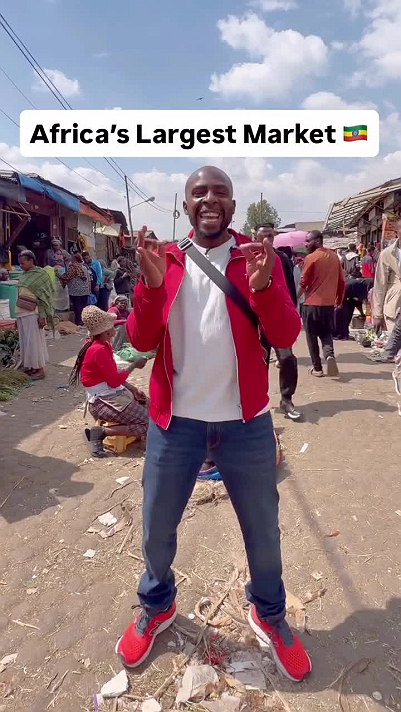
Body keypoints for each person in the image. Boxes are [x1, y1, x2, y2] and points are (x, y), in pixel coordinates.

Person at [116, 166, 311, 681]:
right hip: (174, 424)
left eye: (219, 192)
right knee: (158, 526)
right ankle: (157, 605)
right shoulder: (166, 260)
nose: (209, 199)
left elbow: (286, 334)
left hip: (246, 424)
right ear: (185, 205)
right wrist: (150, 286)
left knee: (263, 533)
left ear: (232, 205)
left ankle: (269, 614)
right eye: (199, 192)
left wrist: (264, 287)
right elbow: (140, 339)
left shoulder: (258, 257)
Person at [69, 306, 148, 457]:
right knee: (148, 423)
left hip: (109, 393)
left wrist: (132, 389)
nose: (115, 328)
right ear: (106, 332)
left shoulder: (101, 345)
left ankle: (130, 432)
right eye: (112, 326)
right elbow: (113, 381)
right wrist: (134, 365)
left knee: (149, 408)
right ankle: (101, 432)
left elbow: (111, 376)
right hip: (101, 402)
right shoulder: (97, 350)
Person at [255, 223, 300, 420]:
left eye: (270, 236)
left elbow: (290, 288)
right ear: (255, 237)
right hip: (256, 320)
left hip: (280, 319)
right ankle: (260, 400)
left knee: (287, 358)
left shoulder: (282, 259)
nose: (267, 239)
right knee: (258, 361)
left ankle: (286, 399)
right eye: (263, 236)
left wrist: (292, 313)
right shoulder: (247, 258)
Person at [298, 230, 345, 377]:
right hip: (328, 305)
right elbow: (341, 281)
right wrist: (339, 300)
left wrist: (294, 299)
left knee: (311, 337)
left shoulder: (311, 258)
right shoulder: (335, 257)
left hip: (311, 304)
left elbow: (303, 283)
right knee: (326, 334)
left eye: (308, 241)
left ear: (318, 241)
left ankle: (317, 368)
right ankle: (329, 355)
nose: (306, 244)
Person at [16, 250, 54, 380]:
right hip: (21, 312)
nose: (21, 265)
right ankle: (31, 366)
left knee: (34, 342)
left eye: (23, 263)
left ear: (31, 261)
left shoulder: (40, 274)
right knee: (25, 342)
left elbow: (44, 297)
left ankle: (40, 370)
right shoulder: (24, 275)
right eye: (20, 263)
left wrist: (42, 316)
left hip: (33, 313)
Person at [372, 220, 401, 334]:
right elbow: (380, 285)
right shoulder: (387, 254)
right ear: (396, 232)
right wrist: (377, 315)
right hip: (394, 311)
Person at [59, 253, 90, 326]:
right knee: (83, 307)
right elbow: (88, 279)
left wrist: (57, 274)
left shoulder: (72, 268)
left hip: (75, 291)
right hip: (85, 291)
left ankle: (78, 322)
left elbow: (66, 277)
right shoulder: (84, 268)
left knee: (77, 307)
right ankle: (84, 321)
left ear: (75, 259)